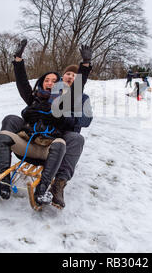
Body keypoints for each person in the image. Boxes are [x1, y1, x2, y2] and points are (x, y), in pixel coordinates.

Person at [0, 40, 93, 208]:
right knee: (11, 119)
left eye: (54, 81)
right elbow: (22, 84)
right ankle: (0, 173)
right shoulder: (35, 98)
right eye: (46, 80)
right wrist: (18, 60)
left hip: (53, 146)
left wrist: (85, 65)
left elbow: (79, 94)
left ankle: (56, 186)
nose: (50, 83)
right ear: (41, 82)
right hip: (29, 143)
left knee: (75, 138)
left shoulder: (66, 100)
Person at [49, 53, 94, 209]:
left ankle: (59, 184)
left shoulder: (83, 97)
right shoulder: (54, 91)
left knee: (78, 139)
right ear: (63, 76)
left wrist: (71, 118)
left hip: (68, 133)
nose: (70, 76)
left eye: (74, 75)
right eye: (68, 73)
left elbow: (87, 120)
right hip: (49, 130)